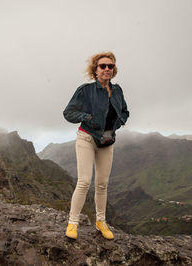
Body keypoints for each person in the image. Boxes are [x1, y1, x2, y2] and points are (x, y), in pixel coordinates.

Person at [63, 51, 129, 240]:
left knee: (102, 184)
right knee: (84, 181)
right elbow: (68, 113)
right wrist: (87, 117)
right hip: (86, 138)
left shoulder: (117, 91)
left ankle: (101, 221)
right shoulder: (85, 90)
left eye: (110, 66)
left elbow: (125, 111)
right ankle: (72, 223)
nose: (107, 69)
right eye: (103, 66)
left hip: (107, 141)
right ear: (95, 69)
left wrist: (118, 123)